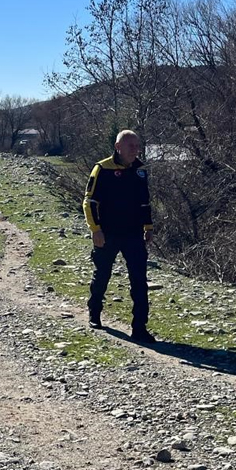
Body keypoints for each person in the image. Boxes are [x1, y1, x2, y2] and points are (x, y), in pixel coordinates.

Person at [82, 129, 155, 343]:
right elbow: (89, 202)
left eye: (137, 145)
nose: (135, 150)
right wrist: (95, 230)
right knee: (102, 275)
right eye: (130, 145)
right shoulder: (102, 168)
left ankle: (139, 327)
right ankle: (94, 311)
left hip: (133, 234)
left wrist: (148, 227)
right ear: (118, 147)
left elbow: (145, 202)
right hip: (107, 234)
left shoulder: (140, 171)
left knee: (139, 281)